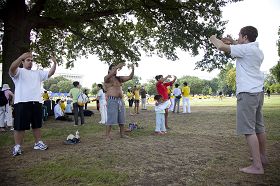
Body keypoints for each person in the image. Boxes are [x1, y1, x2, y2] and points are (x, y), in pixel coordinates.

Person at [210, 26, 267, 174]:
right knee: (259, 127)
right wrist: (234, 42)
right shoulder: (257, 50)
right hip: (258, 92)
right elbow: (240, 47)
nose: (238, 38)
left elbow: (221, 46)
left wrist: (213, 38)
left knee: (248, 130)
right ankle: (262, 157)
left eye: (239, 36)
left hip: (247, 93)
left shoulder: (246, 50)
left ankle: (257, 166)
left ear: (245, 37)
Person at [9, 52, 56, 156]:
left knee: (36, 125)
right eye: (28, 60)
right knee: (19, 126)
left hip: (36, 102)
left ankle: (38, 143)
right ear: (22, 62)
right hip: (22, 102)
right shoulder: (19, 72)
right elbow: (11, 69)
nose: (30, 62)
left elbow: (50, 73)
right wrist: (21, 56)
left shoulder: (38, 73)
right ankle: (17, 147)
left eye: (31, 60)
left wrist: (55, 63)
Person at [104, 63, 135, 140]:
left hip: (120, 101)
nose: (116, 70)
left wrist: (133, 69)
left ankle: (122, 134)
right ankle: (107, 136)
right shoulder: (107, 78)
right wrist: (117, 67)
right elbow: (107, 77)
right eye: (113, 68)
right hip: (112, 100)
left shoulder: (119, 78)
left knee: (122, 118)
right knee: (111, 118)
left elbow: (130, 77)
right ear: (109, 70)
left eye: (116, 69)